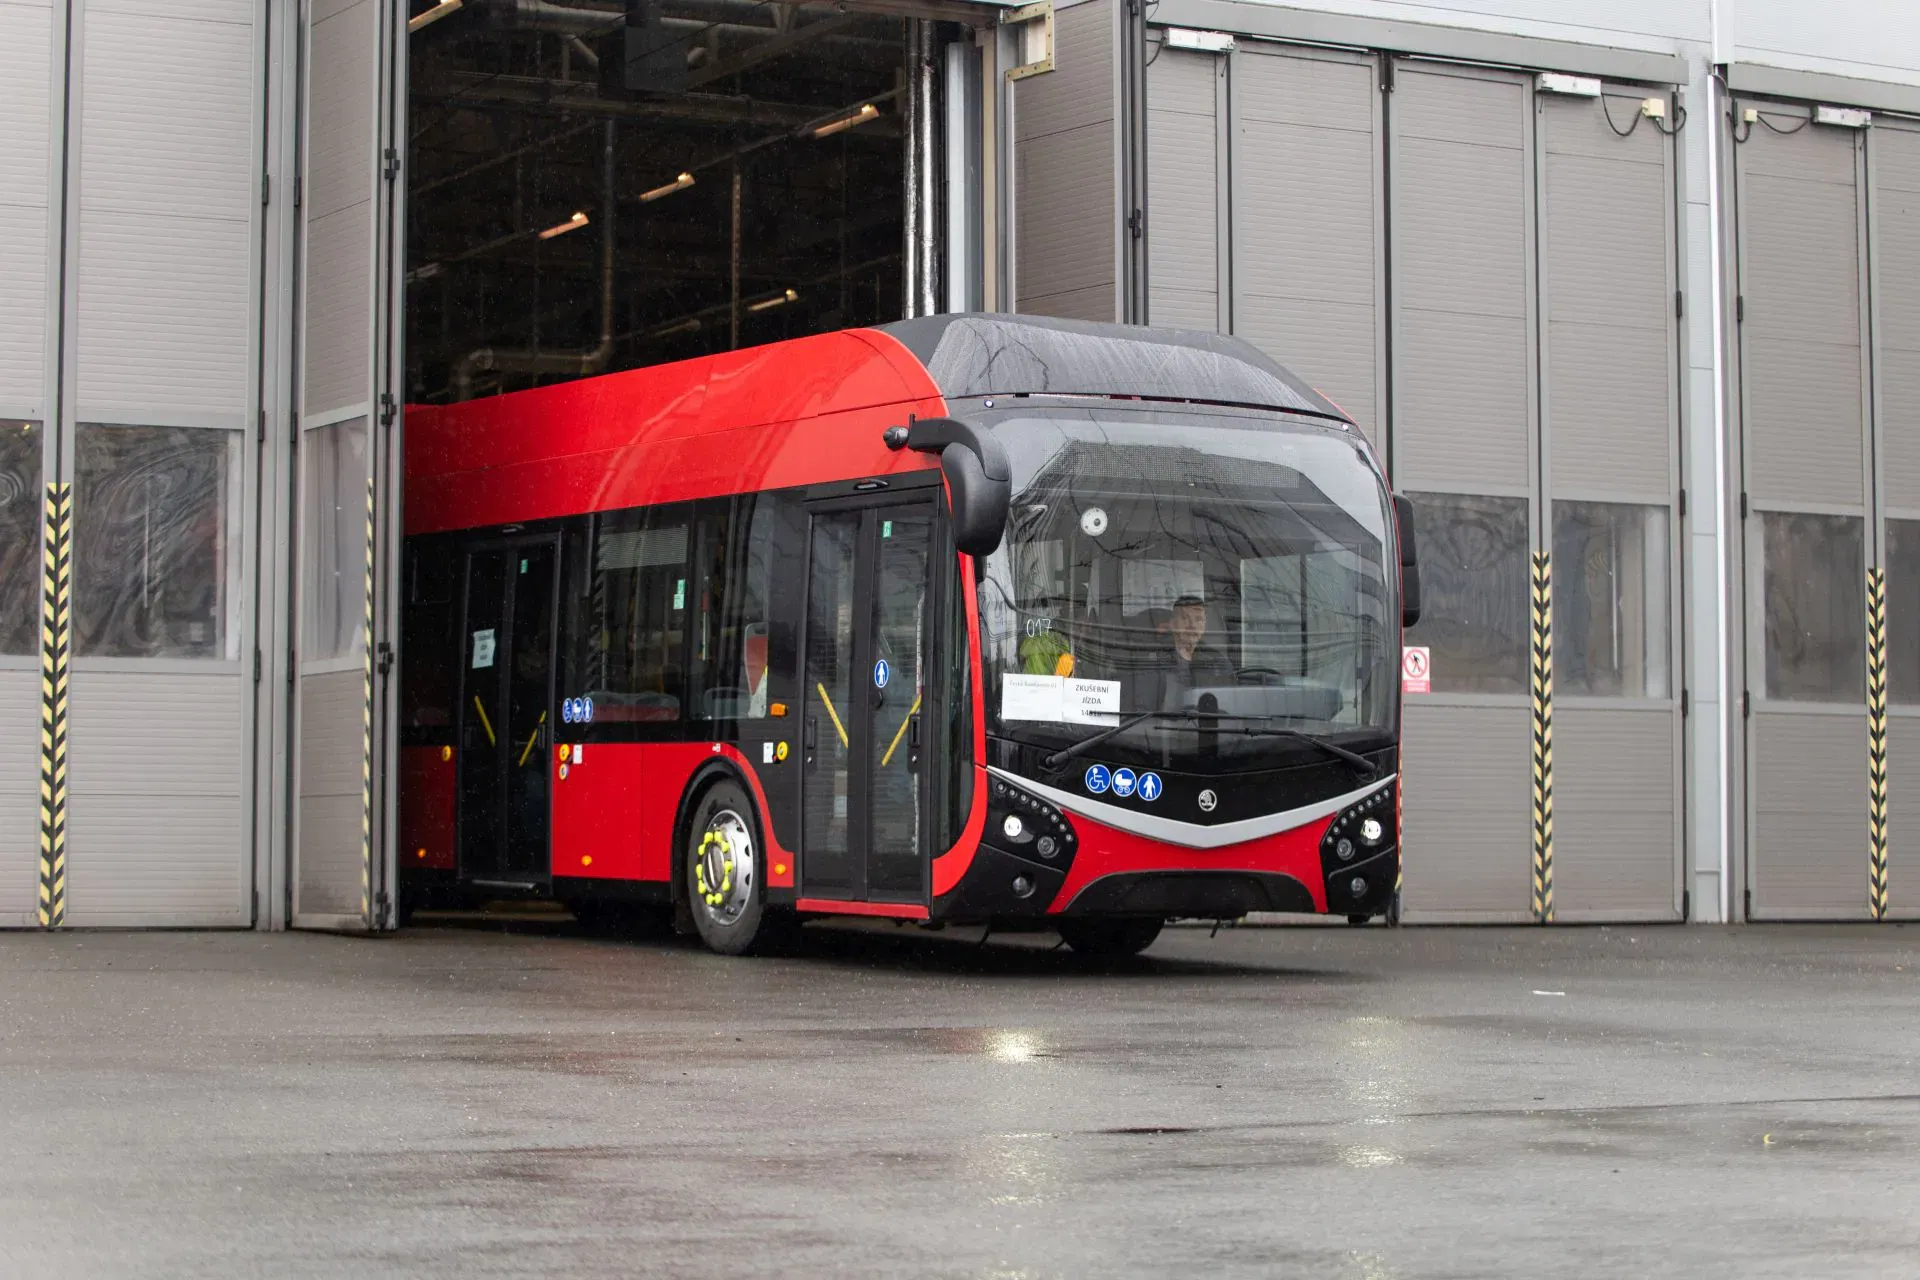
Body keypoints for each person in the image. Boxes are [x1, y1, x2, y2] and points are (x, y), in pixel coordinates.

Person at [1131, 594, 1232, 712]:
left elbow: (1228, 710)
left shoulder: (1218, 664)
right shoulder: (1153, 662)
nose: (1192, 625)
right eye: (1185, 618)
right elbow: (1143, 712)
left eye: (1198, 619)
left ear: (1204, 625)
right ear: (1173, 624)